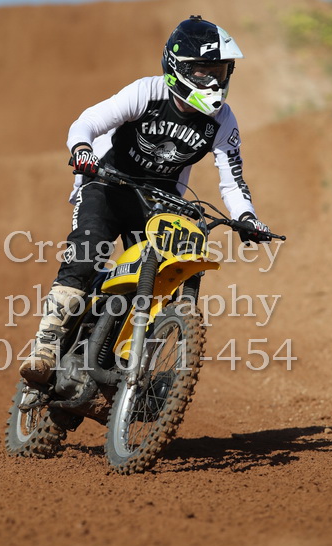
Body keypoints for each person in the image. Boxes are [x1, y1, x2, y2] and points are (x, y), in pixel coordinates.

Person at [20, 15, 271, 385]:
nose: (213, 82)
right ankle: (46, 344)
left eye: (219, 72)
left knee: (157, 278)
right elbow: (88, 121)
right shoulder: (147, 92)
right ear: (178, 68)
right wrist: (83, 149)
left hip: (159, 203)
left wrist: (246, 217)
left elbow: (232, 181)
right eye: (203, 72)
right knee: (87, 254)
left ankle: (120, 360)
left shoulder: (223, 120)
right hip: (106, 184)